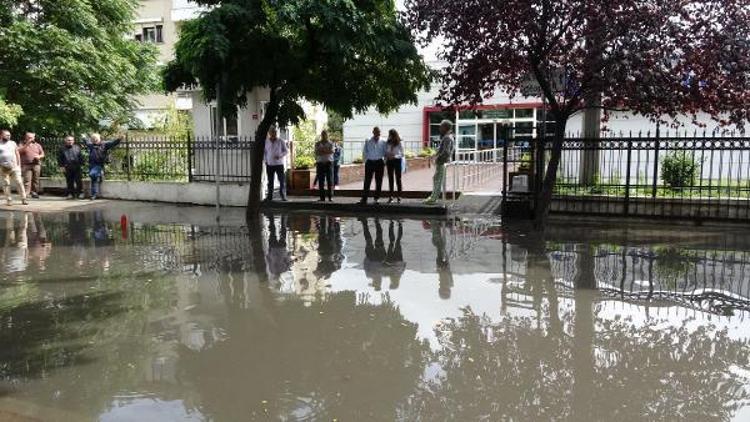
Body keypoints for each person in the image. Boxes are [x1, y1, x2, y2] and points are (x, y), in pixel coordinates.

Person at [424, 120, 455, 204]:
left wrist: (438, 159)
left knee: (438, 180)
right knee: (436, 179)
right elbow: (441, 149)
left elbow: (446, 151)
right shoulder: (448, 136)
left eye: (441, 126)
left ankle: (433, 199)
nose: (439, 128)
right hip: (442, 161)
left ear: (445, 127)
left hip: (442, 162)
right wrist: (434, 155)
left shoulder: (447, 137)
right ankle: (433, 197)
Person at [83, 133, 122, 200]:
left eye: (96, 138)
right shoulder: (91, 145)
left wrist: (119, 139)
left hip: (99, 164)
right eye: (93, 139)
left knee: (92, 174)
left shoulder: (105, 144)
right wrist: (83, 138)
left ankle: (100, 175)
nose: (94, 140)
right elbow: (86, 142)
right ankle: (94, 195)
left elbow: (113, 143)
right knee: (93, 179)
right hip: (91, 164)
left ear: (99, 138)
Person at [358, 127, 386, 205]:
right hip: (370, 162)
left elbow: (385, 152)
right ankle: (364, 198)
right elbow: (365, 151)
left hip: (379, 162)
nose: (378, 133)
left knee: (379, 181)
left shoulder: (383, 141)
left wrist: (385, 162)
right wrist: (365, 161)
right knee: (367, 181)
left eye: (379, 132)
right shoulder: (368, 140)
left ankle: (376, 199)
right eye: (376, 132)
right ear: (373, 132)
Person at [0, 130, 28, 206]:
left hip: (14, 166)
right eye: (6, 135)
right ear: (1, 135)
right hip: (3, 167)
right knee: (6, 184)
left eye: (9, 135)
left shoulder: (13, 143)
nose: (8, 136)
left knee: (19, 182)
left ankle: (24, 199)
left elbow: (17, 153)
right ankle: (9, 200)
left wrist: (18, 164)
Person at [263, 127, 288, 201]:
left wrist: (280, 156)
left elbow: (286, 151)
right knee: (270, 181)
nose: (273, 134)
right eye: (272, 132)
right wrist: (265, 160)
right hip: (270, 164)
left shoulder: (281, 141)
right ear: (269, 133)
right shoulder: (266, 141)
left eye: (274, 132)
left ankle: (283, 195)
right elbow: (264, 152)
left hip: (279, 164)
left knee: (281, 180)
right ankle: (270, 196)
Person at [18, 132, 44, 199]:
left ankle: (34, 192)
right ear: (26, 137)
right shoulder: (22, 144)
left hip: (36, 164)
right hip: (26, 165)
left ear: (34, 137)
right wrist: (27, 144)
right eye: (29, 137)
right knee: (27, 180)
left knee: (36, 180)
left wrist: (39, 156)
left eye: (32, 137)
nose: (31, 138)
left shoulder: (37, 145)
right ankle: (26, 194)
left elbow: (42, 154)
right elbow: (19, 151)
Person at [315, 130, 335, 202]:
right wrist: (326, 151)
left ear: (327, 135)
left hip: (329, 162)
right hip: (320, 163)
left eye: (325, 134)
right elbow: (317, 152)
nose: (324, 136)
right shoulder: (317, 143)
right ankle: (322, 197)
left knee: (330, 180)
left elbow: (332, 151)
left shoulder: (331, 143)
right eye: (322, 134)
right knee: (321, 181)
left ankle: (330, 197)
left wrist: (322, 151)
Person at [385, 129, 404, 203]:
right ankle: (391, 196)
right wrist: (387, 154)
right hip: (389, 161)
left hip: (397, 161)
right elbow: (386, 151)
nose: (390, 137)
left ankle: (399, 196)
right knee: (390, 178)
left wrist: (395, 156)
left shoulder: (399, 142)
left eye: (391, 135)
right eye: (389, 135)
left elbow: (402, 154)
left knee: (398, 178)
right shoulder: (388, 142)